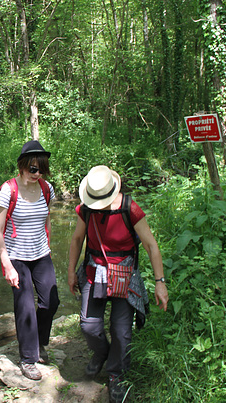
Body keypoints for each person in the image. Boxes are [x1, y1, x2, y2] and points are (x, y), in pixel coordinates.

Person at [67, 165, 169, 403]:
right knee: (89, 326)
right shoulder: (86, 210)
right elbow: (77, 239)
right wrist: (71, 271)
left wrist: (159, 282)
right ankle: (102, 352)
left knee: (121, 332)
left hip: (124, 275)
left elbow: (151, 245)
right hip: (94, 273)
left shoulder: (129, 208)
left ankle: (116, 375)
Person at [0, 140, 59, 381]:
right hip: (16, 257)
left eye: (41, 169)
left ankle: (40, 343)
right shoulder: (8, 190)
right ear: (22, 165)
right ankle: (29, 358)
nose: (37, 173)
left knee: (51, 301)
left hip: (41, 254)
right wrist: (6, 264)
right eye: (33, 168)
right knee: (25, 306)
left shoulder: (46, 188)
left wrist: (48, 246)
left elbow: (47, 218)